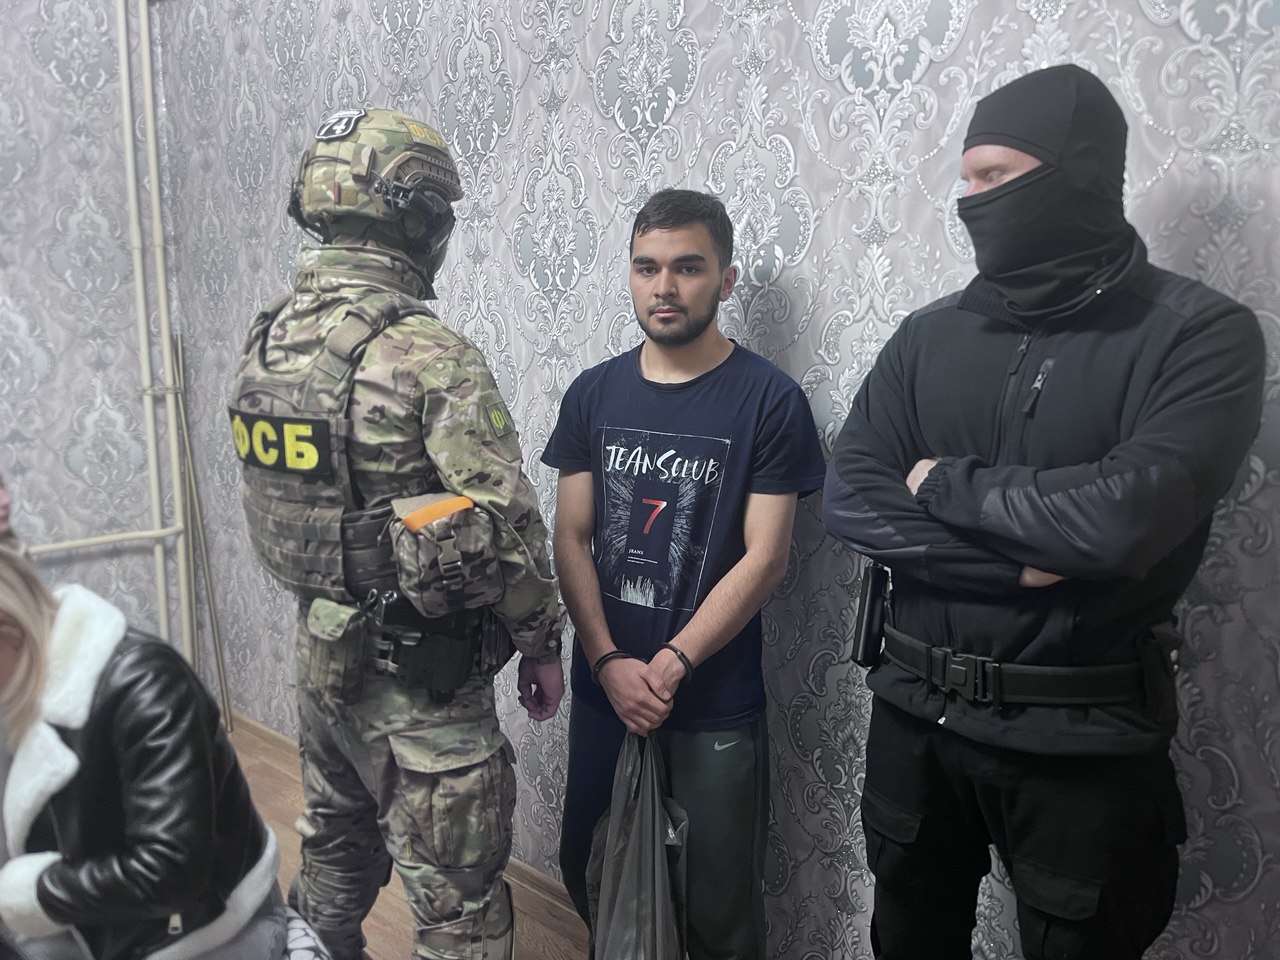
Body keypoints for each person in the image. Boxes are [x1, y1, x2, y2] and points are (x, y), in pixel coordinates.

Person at [823, 64, 1265, 960]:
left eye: (996, 175)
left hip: (1080, 745)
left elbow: (1120, 521)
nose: (971, 199)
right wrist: (1019, 564)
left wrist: (942, 484)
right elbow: (854, 495)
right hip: (912, 717)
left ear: (1083, 170)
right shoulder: (929, 335)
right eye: (966, 177)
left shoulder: (1198, 334)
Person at [228, 107, 564, 960]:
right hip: (425, 688)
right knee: (460, 906)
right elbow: (511, 527)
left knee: (334, 852)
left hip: (322, 662)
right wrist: (541, 642)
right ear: (419, 219)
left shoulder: (268, 340)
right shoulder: (426, 351)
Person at [544, 188, 826, 959]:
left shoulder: (770, 401)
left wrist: (670, 664)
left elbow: (767, 557)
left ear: (725, 280)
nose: (664, 286)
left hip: (710, 700)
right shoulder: (593, 393)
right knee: (589, 868)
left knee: (715, 905)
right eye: (647, 267)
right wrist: (607, 661)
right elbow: (570, 535)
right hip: (606, 688)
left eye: (687, 267)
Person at [0, 545, 288, 959]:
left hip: (204, 924)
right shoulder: (16, 688)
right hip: (93, 913)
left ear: (8, 623)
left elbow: (171, 871)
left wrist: (39, 892)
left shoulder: (146, 685)